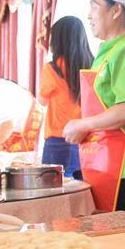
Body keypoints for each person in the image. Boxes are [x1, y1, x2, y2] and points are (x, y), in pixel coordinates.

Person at [62, 0, 125, 215]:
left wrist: (83, 124)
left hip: (123, 164)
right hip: (104, 161)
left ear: (116, 10)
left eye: (95, 6)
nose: (89, 15)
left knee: (122, 238)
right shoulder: (109, 51)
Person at [38, 16, 93, 178]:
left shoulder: (52, 69)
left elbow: (42, 100)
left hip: (58, 140)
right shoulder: (93, 65)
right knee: (81, 190)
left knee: (54, 193)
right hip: (86, 140)